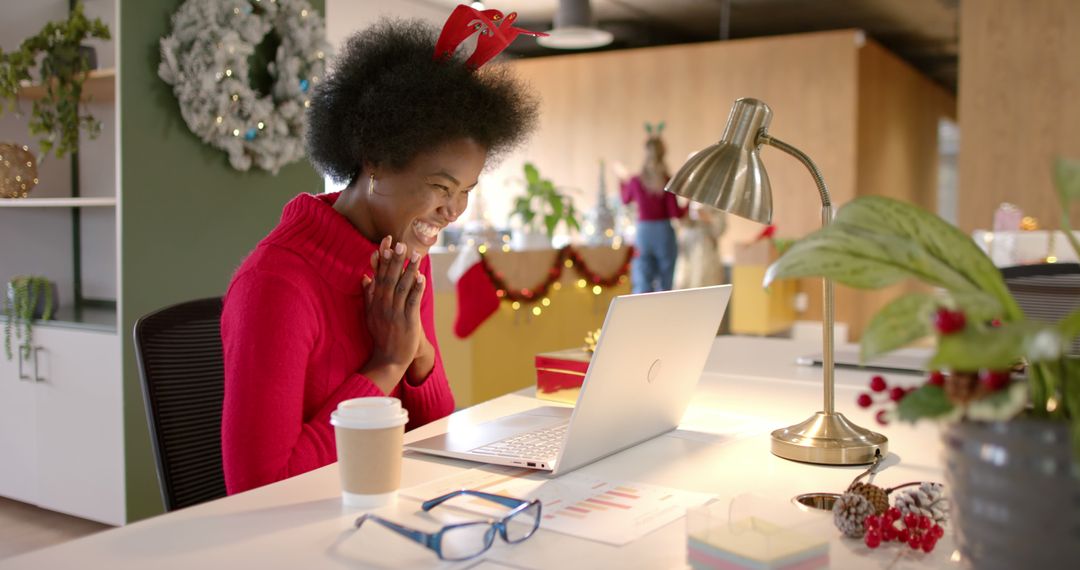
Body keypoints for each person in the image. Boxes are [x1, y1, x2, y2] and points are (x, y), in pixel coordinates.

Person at [220, 13, 541, 494]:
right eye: (439, 186)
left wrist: (418, 352)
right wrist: (387, 365)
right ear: (375, 159)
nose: (451, 210)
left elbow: (434, 431)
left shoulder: (405, 257)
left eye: (466, 190)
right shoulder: (277, 284)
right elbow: (259, 486)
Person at [619, 123, 687, 293]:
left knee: (642, 280)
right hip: (664, 232)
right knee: (665, 283)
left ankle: (642, 317)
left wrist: (621, 181)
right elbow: (675, 214)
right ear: (663, 154)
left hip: (643, 232)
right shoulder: (667, 180)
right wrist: (689, 204)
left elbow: (625, 200)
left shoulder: (635, 181)